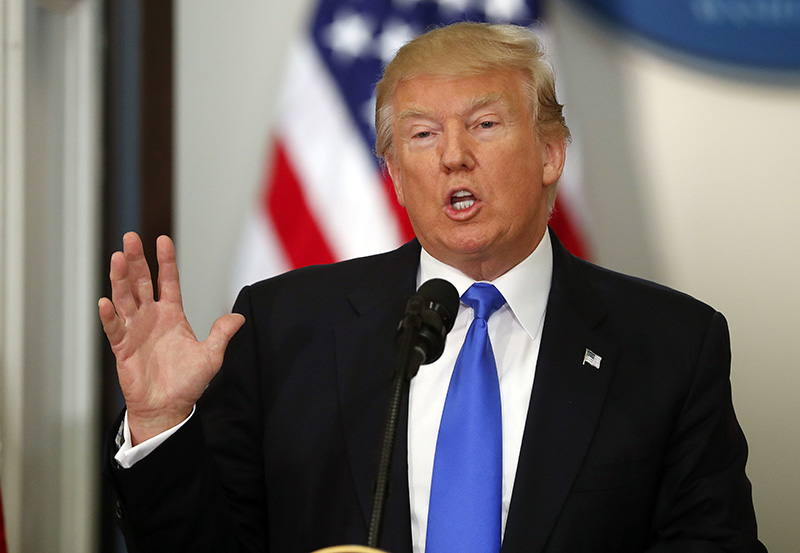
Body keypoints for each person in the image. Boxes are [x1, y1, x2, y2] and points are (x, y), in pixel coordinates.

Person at [100, 22, 766, 553]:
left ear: (551, 152)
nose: (453, 155)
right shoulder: (283, 327)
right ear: (393, 169)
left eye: (483, 124)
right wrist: (161, 423)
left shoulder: (671, 344)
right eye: (421, 134)